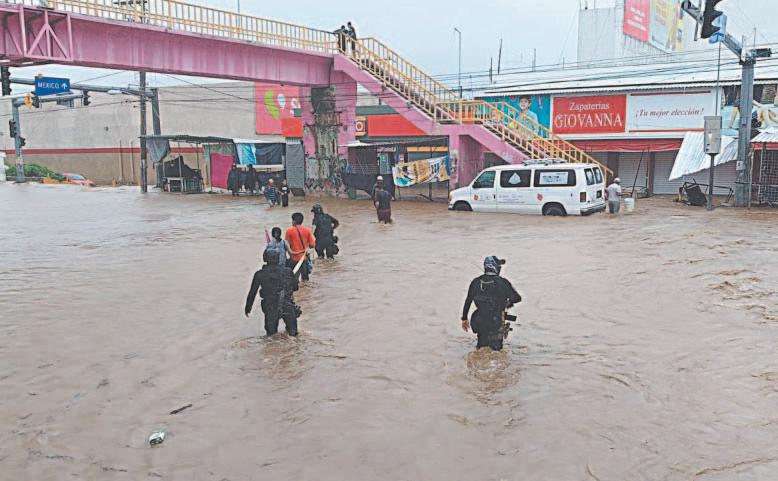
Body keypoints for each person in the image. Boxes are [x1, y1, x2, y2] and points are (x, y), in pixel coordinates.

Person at [461, 256, 521, 351]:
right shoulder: (503, 282)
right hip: (496, 321)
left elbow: (468, 301)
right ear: (495, 267)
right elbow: (517, 298)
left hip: (479, 320)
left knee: (481, 349)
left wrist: (464, 318)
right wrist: (507, 305)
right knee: (496, 352)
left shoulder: (476, 282)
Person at [245, 249, 299, 337]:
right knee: (293, 335)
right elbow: (296, 287)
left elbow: (252, 293)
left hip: (270, 307)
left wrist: (248, 308)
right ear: (278, 259)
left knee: (271, 337)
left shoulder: (259, 274)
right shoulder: (288, 271)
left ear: (265, 259)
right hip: (287, 305)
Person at [285, 212, 316, 282]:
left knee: (292, 279)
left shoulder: (289, 231)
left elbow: (287, 245)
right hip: (304, 259)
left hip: (294, 259)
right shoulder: (307, 230)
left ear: (294, 221)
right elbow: (312, 245)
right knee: (305, 281)